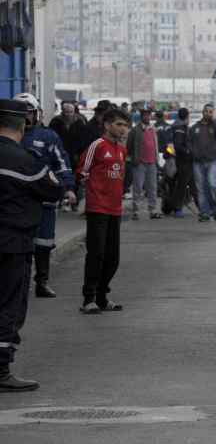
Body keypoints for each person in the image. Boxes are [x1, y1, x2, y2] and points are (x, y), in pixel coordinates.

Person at [0, 99, 65, 391]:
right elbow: (53, 187)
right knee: (8, 305)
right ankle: (1, 369)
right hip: (12, 244)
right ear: (23, 124)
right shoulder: (24, 160)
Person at [16, 93, 77, 298]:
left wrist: (68, 188)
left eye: (29, 112)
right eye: (21, 113)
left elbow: (61, 163)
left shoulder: (48, 136)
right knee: (17, 244)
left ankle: (42, 282)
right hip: (17, 201)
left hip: (44, 200)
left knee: (44, 242)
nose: (25, 117)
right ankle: (18, 284)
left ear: (37, 114)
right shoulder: (8, 136)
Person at [77, 109, 130, 314]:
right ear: (107, 125)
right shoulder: (97, 146)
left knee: (112, 258)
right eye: (119, 124)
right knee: (96, 254)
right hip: (98, 208)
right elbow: (82, 171)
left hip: (115, 209)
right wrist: (92, 193)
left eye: (125, 125)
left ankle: (102, 297)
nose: (123, 129)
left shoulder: (122, 150)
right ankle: (88, 299)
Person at [189, 104, 216, 222]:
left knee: (212, 185)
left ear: (213, 113)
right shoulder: (195, 127)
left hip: (212, 161)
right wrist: (193, 152)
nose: (208, 114)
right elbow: (188, 142)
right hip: (198, 162)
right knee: (200, 188)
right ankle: (204, 212)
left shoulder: (215, 126)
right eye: (206, 111)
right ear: (202, 112)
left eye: (211, 112)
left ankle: (214, 209)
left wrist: (214, 121)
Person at [126, 108, 161, 220]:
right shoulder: (135, 130)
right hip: (139, 163)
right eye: (145, 115)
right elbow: (129, 146)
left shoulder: (153, 129)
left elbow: (155, 145)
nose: (147, 117)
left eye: (148, 115)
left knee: (152, 187)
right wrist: (134, 158)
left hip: (152, 162)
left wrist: (156, 159)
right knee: (138, 187)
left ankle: (153, 210)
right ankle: (136, 211)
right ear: (141, 117)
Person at [165, 107, 193, 218]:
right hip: (180, 160)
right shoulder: (180, 128)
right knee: (181, 185)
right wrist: (188, 152)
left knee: (176, 185)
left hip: (171, 159)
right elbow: (177, 145)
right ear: (187, 116)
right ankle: (177, 208)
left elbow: (169, 145)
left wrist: (169, 154)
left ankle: (173, 206)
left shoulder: (173, 126)